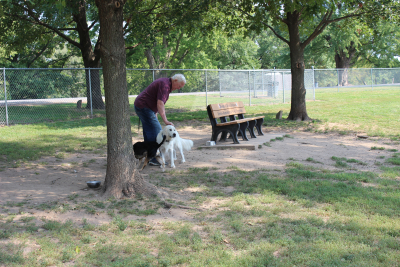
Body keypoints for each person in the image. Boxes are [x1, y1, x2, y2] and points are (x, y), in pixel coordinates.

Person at [134, 74, 186, 166]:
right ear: (175, 80)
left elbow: (155, 100)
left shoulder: (166, 84)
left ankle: (148, 155)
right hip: (144, 107)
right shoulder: (165, 85)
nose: (178, 88)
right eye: (178, 86)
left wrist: (155, 113)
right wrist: (165, 121)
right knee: (158, 131)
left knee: (149, 131)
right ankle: (154, 158)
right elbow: (160, 103)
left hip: (143, 106)